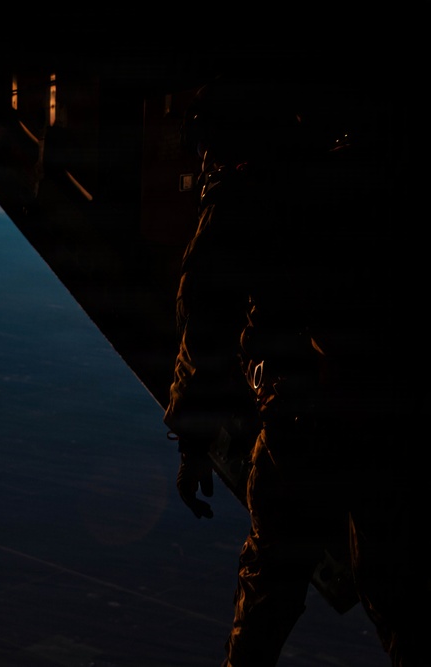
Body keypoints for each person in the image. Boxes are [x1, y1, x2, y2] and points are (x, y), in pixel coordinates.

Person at [163, 70, 423, 666]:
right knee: (397, 593)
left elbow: (203, 330)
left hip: (302, 426)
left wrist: (193, 444)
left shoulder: (240, 203)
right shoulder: (359, 176)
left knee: (269, 589)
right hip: (387, 423)